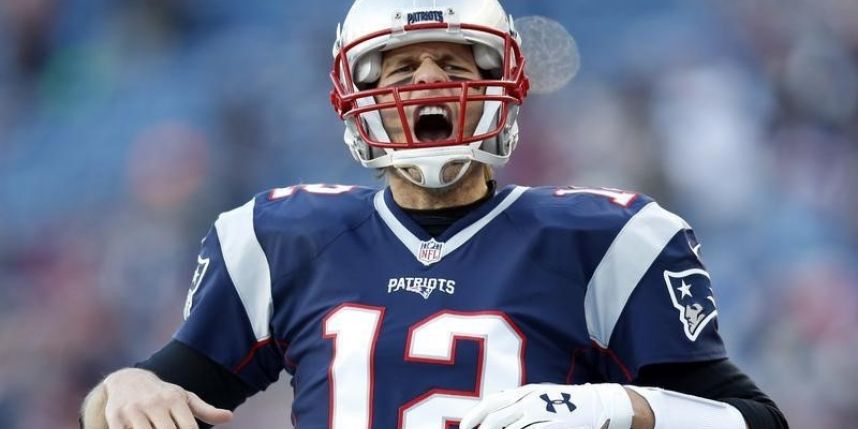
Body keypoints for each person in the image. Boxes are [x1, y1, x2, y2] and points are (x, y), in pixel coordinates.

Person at [81, 0, 789, 428]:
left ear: (503, 88)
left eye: (455, 65)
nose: (428, 83)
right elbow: (143, 401)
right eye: (399, 67)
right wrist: (122, 387)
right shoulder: (283, 237)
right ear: (353, 96)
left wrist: (619, 410)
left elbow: (756, 421)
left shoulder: (607, 241)